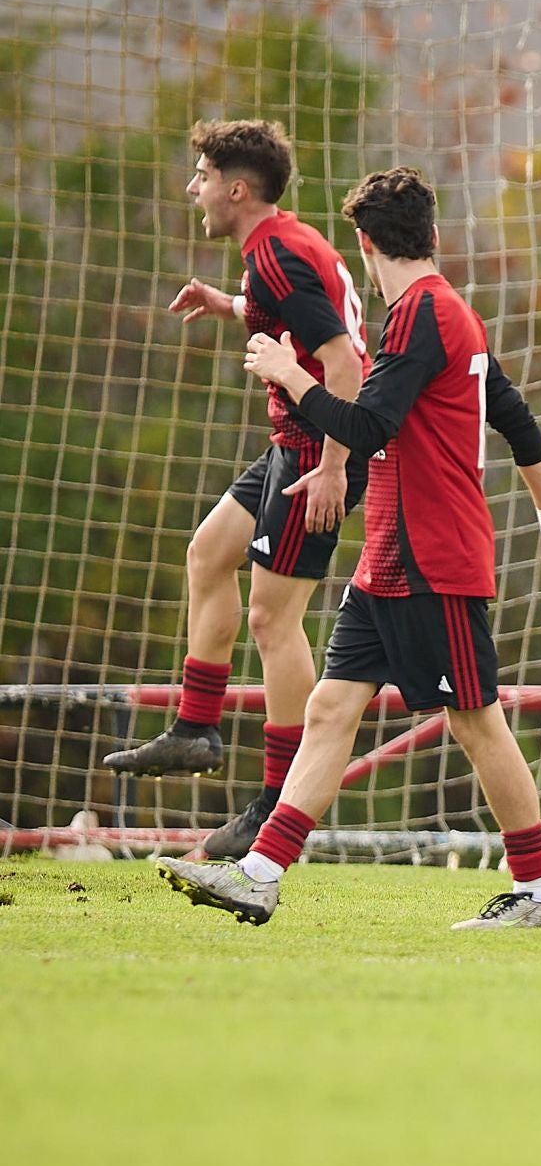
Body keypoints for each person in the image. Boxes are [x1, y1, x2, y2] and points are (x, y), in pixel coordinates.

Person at [157, 167, 541, 929]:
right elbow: (514, 418)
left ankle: (540, 891)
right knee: (329, 708)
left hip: (433, 557)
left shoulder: (425, 315)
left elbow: (367, 427)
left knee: (476, 719)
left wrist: (291, 375)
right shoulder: (446, 313)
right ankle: (259, 873)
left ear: (363, 242)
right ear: (432, 236)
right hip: (388, 557)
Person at [104, 120, 371, 861]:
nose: (194, 190)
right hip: (295, 442)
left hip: (318, 449)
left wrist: (335, 466)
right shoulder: (276, 244)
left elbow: (344, 364)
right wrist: (229, 304)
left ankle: (278, 802)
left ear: (236, 188)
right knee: (208, 551)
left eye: (201, 176)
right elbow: (297, 311)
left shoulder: (279, 254)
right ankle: (195, 728)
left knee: (272, 621)